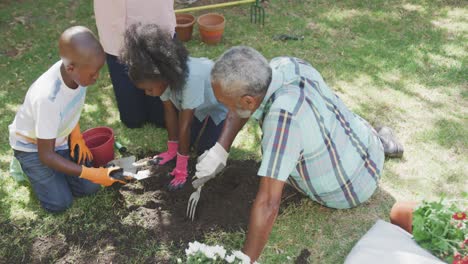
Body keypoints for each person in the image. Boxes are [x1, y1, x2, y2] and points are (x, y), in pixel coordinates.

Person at [192, 46, 404, 261]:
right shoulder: (286, 65)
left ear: (248, 101)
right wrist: (221, 149)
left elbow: (268, 203)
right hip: (366, 148)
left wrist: (245, 260)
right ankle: (385, 141)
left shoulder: (282, 119)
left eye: (225, 103)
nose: (225, 107)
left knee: (278, 158)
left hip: (346, 190)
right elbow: (243, 105)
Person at [8, 26, 127, 213]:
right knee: (60, 204)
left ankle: (55, 172)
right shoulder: (48, 98)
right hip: (33, 147)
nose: (97, 77)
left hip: (59, 138)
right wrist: (91, 172)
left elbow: (71, 107)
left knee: (90, 188)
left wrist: (76, 134)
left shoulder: (79, 73)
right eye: (93, 73)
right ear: (71, 68)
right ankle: (25, 166)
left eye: (98, 71)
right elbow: (46, 155)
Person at [120, 24, 228, 190]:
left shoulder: (191, 80)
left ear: (163, 77)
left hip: (219, 106)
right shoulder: (162, 78)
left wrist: (182, 167)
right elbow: (170, 112)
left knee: (204, 153)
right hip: (197, 107)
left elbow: (185, 125)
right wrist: (172, 149)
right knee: (184, 145)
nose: (148, 93)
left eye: (149, 89)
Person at [93, 0, 176, 128]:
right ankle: (135, 114)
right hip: (112, 14)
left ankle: (159, 112)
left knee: (161, 117)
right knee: (132, 120)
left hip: (152, 11)